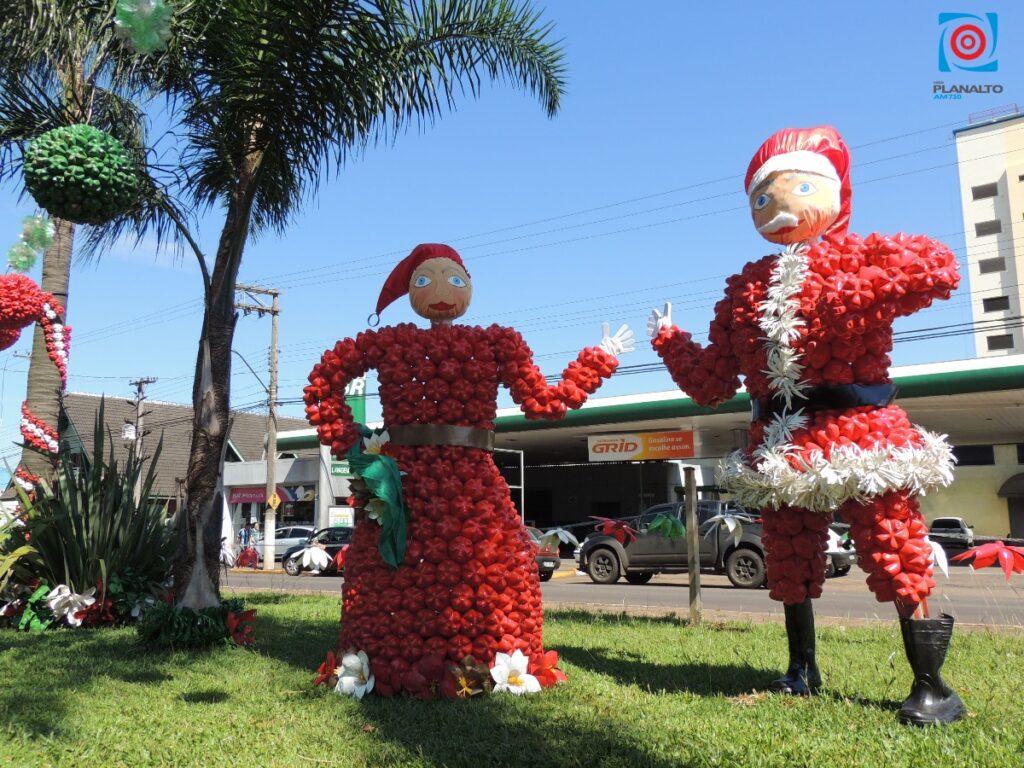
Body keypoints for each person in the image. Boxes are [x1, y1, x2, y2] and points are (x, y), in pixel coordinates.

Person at [648, 126, 964, 725]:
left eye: (798, 187)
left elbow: (939, 269)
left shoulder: (861, 255)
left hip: (863, 433)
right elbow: (711, 382)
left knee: (893, 549)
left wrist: (849, 290)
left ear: (837, 192)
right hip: (780, 443)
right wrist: (669, 341)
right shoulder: (747, 290)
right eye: (761, 197)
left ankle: (932, 686)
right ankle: (801, 669)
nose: (777, 205)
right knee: (790, 557)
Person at [304, 243, 634, 697]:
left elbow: (544, 401)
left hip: (465, 482)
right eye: (425, 281)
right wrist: (356, 445)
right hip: (407, 484)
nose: (442, 292)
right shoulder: (391, 343)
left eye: (454, 280)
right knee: (397, 565)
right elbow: (325, 384)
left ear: (469, 287)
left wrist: (600, 357)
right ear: (410, 291)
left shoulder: (492, 343)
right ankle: (395, 660)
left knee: (485, 563)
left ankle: (479, 661)